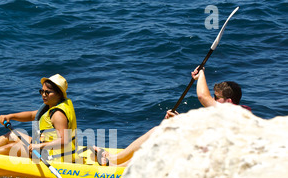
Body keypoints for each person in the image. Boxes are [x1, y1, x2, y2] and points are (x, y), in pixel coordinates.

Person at [93, 66, 249, 167]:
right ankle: (115, 159)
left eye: (216, 97)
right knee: (159, 130)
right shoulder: (225, 114)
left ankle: (118, 168)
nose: (213, 100)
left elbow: (202, 96)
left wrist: (201, 75)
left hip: (212, 163)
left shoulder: (233, 113)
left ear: (229, 101)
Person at [0, 74, 78, 162]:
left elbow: (64, 141)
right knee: (14, 134)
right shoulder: (52, 106)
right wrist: (10, 116)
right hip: (47, 148)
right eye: (42, 91)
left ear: (59, 94)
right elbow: (32, 115)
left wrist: (38, 147)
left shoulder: (58, 114)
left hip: (58, 156)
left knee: (13, 148)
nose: (44, 95)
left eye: (48, 92)